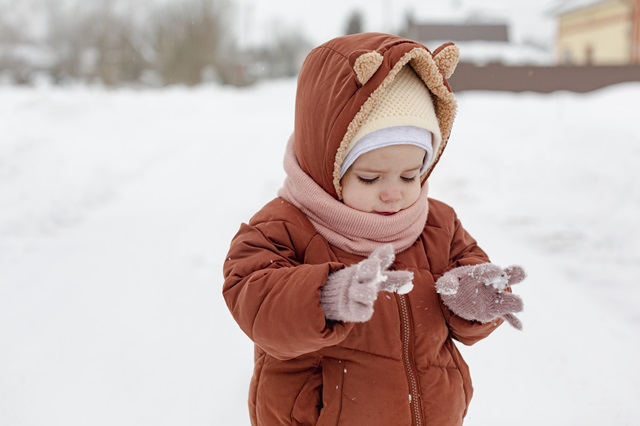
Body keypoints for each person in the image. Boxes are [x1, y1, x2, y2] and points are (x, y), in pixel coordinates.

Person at [222, 32, 526, 426]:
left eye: (410, 174)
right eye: (369, 178)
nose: (393, 194)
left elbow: (467, 289)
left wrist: (476, 301)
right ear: (325, 165)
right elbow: (255, 302)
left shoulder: (439, 224)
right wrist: (327, 296)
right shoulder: (281, 227)